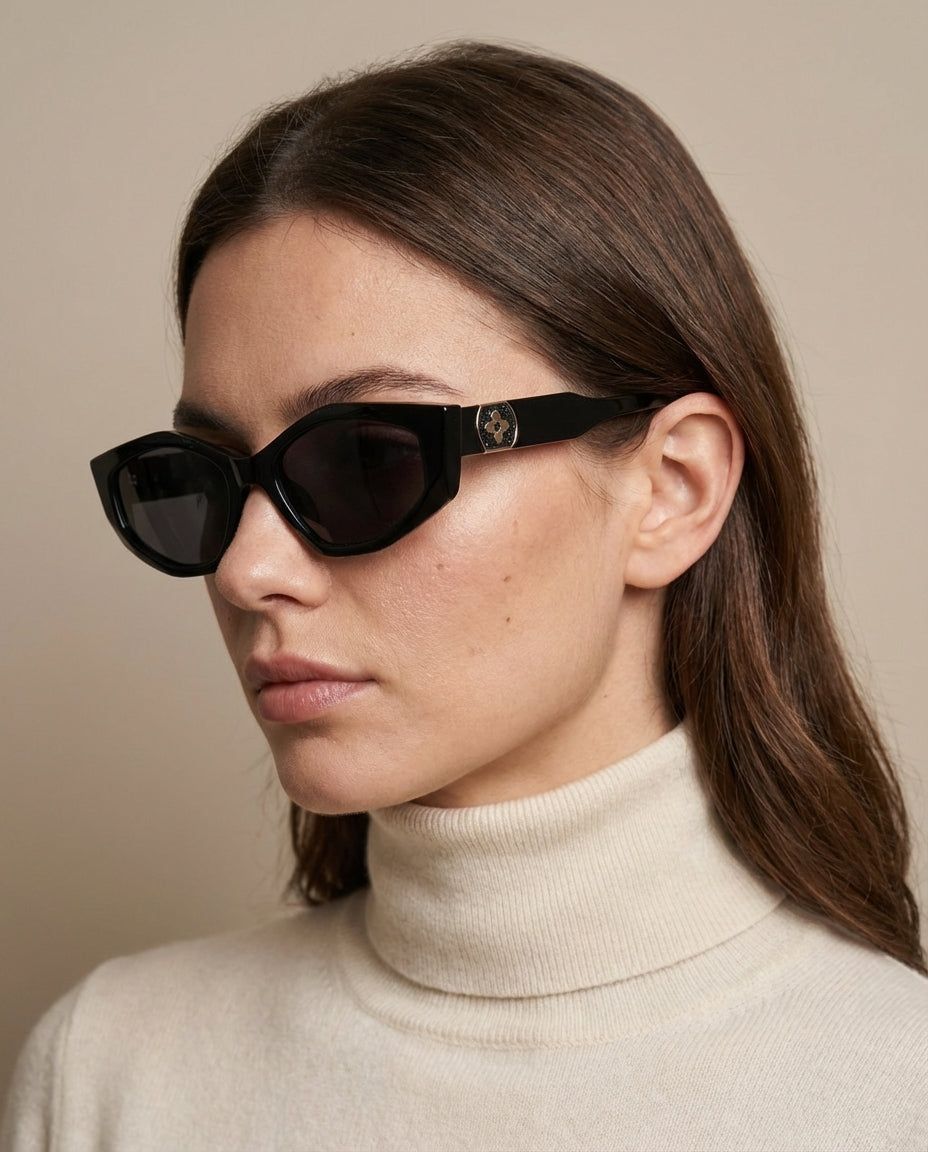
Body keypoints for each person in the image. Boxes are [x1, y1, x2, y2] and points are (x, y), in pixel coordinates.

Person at [3, 40, 927, 1152]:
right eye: (202, 481)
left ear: (671, 490)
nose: (245, 570)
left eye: (365, 461)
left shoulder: (892, 1096)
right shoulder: (112, 1073)